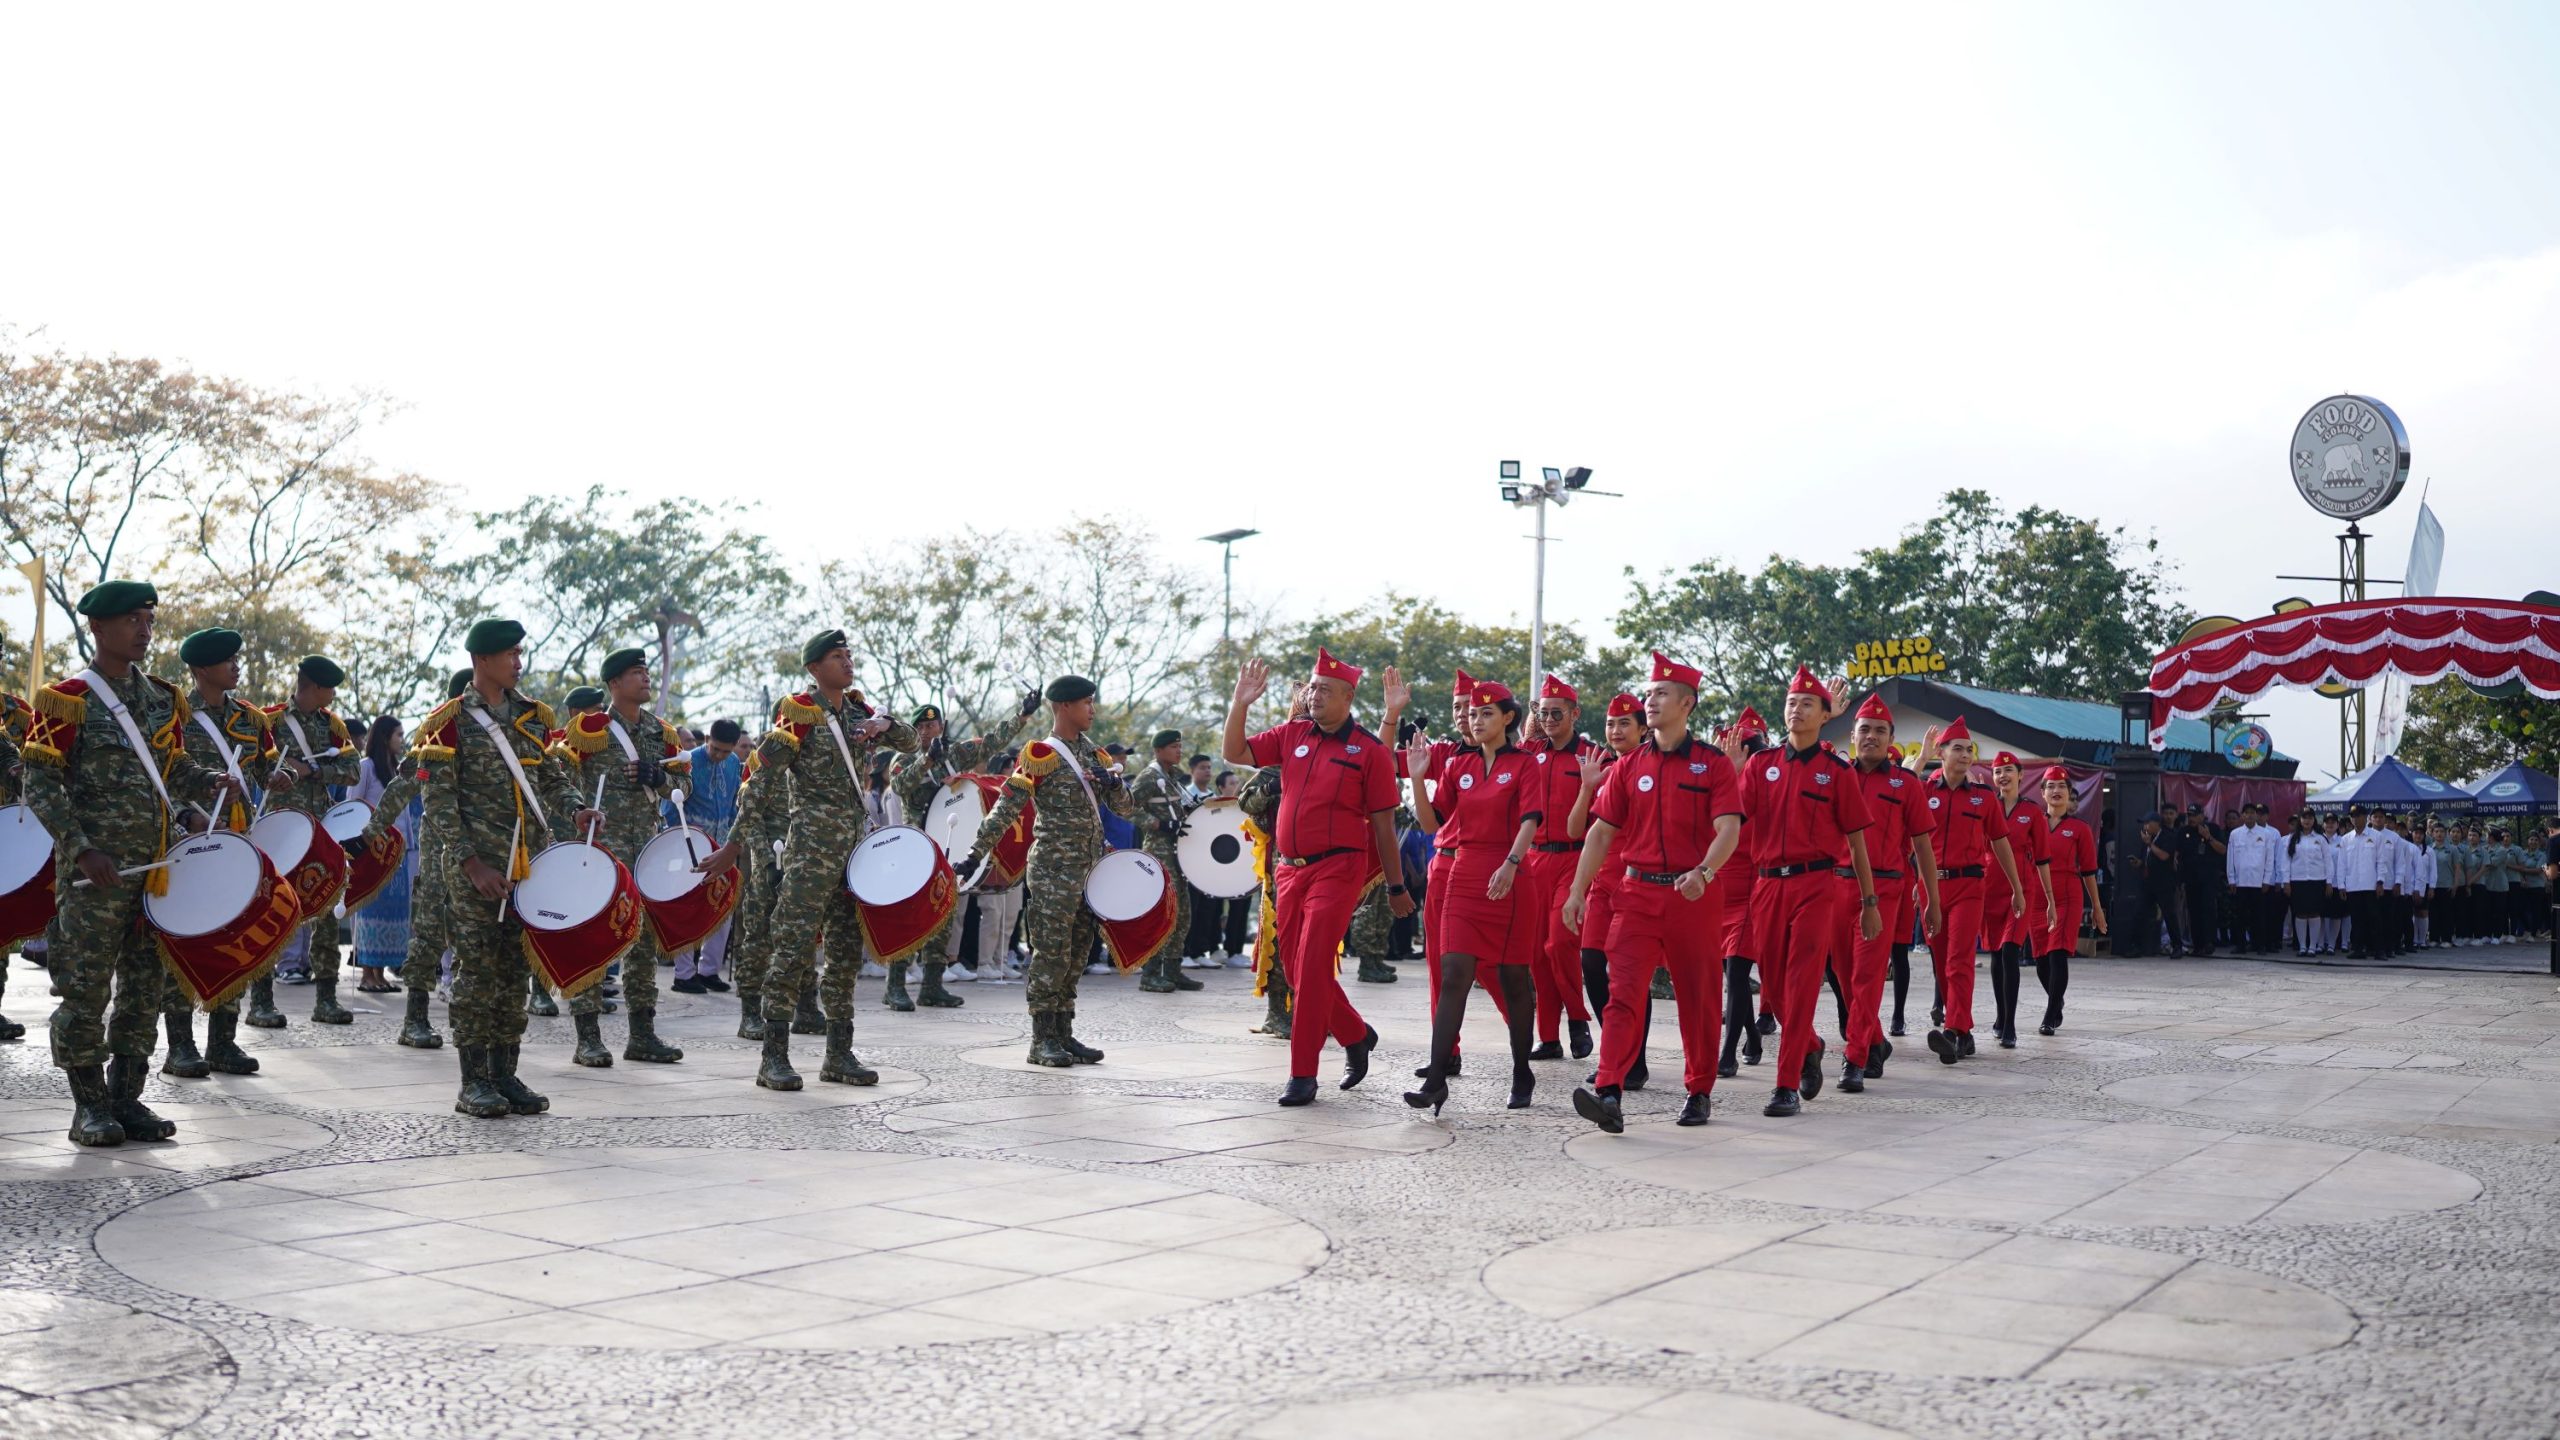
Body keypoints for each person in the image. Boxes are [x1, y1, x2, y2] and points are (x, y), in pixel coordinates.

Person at [21, 583, 247, 1145]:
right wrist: (81, 848)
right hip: (95, 876)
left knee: (144, 989)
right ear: (98, 628)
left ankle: (128, 1098)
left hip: (158, 872)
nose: (144, 630)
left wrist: (205, 785)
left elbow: (171, 765)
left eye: (148, 620)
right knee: (86, 990)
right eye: (131, 621)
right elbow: (40, 783)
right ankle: (89, 1107)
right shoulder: (66, 699)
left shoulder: (162, 699)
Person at [696, 630, 915, 1089]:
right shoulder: (798, 714)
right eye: (837, 657)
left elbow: (911, 742)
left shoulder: (859, 710)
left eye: (849, 655)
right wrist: (734, 846)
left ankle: (839, 1054)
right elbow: (757, 781)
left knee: (842, 953)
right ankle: (772, 1057)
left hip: (855, 852)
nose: (848, 662)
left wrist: (885, 726)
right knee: (792, 948)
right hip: (810, 852)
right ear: (815, 668)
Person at [418, 619, 597, 1117]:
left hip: (529, 866)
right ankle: (472, 1081)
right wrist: (471, 863)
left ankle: (504, 1074)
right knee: (477, 972)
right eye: (510, 655)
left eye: (521, 653)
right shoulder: (448, 722)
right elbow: (439, 803)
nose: (518, 663)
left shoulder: (533, 718)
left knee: (515, 971)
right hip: (478, 867)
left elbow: (552, 778)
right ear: (481, 660)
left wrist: (577, 807)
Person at [1563, 652, 1743, 1133]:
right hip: (1636, 895)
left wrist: (1704, 872)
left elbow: (1729, 830)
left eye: (1662, 693)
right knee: (1621, 995)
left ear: (1687, 704)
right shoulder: (1628, 768)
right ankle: (1609, 1090)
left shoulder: (1713, 765)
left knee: (1697, 997)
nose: (1652, 699)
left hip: (1694, 898)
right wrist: (1578, 890)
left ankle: (1699, 1089)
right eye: (1650, 692)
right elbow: (1601, 833)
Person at [1222, 651, 1410, 1107]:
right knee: (1293, 964)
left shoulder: (1368, 751)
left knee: (1311, 965)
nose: (1313, 695)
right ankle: (1355, 1033)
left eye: (1324, 688)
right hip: (1290, 869)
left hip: (1339, 867)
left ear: (1348, 696)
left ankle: (1302, 1074)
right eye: (1311, 687)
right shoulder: (1292, 734)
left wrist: (1396, 886)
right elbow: (1234, 752)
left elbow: (1384, 826)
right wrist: (1240, 702)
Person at [960, 675, 1135, 1068]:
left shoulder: (1096, 755)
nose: (1092, 710)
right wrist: (976, 853)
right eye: (1086, 703)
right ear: (1063, 707)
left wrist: (1114, 784)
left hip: (1090, 871)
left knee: (1076, 954)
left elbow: (1125, 808)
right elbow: (1006, 806)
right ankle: (1041, 1040)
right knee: (1050, 955)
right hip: (1054, 870)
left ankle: (1064, 1033)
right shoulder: (1040, 753)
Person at [1737, 666, 1881, 1116]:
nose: (1796, 710)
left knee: (1801, 985)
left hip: (1816, 885)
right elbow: (1729, 823)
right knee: (1775, 992)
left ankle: (1785, 1087)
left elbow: (1857, 842)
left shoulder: (1836, 772)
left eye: (1806, 704)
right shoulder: (1760, 767)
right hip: (1766, 887)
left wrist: (1870, 902)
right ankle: (1811, 1045)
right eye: (1791, 703)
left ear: (1824, 716)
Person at [1400, 679, 1543, 1113]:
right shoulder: (1457, 765)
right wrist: (1420, 777)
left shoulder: (1524, 764)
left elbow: (1531, 820)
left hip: (1510, 879)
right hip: (1464, 876)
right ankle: (1437, 1078)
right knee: (1454, 975)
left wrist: (1512, 863)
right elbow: (1431, 824)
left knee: (1514, 980)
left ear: (1508, 719)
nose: (1476, 720)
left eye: (1486, 713)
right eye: (1472, 714)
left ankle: (1522, 1071)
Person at [555, 648, 690, 1067]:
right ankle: (588, 1037)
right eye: (636, 673)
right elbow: (558, 777)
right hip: (600, 849)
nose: (646, 679)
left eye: (647, 672)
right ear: (614, 684)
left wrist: (659, 776)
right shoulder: (589, 728)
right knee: (591, 937)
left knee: (642, 943)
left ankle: (643, 1034)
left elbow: (683, 782)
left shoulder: (659, 730)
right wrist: (575, 816)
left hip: (645, 848)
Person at [168, 626, 272, 1076]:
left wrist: (278, 778)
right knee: (186, 938)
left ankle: (223, 1043)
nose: (236, 666)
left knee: (236, 937)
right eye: (227, 661)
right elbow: (160, 774)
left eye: (236, 658)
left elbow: (267, 770)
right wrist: (180, 816)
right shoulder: (175, 716)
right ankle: (180, 1046)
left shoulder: (251, 720)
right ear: (201, 669)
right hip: (190, 842)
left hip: (239, 839)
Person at [887, 695, 1036, 1003]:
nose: (929, 730)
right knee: (911, 917)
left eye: (933, 724)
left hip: (947, 847)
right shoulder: (903, 758)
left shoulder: (955, 753)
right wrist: (927, 760)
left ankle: (931, 986)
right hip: (916, 846)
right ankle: (895, 986)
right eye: (922, 726)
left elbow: (990, 743)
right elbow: (900, 787)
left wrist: (1021, 715)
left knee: (943, 916)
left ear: (941, 725)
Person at [1835, 694, 1940, 1090]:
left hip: (1885, 890)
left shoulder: (1906, 783)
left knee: (1866, 978)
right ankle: (1875, 1040)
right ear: (1852, 735)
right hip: (1837, 886)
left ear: (1892, 738)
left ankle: (1855, 1058)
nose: (1872, 737)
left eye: (1881, 731)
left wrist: (1931, 898)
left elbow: (1924, 846)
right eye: (1865, 730)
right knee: (1844, 979)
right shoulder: (1836, 776)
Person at [256, 655, 363, 1025]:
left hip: (320, 831)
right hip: (281, 830)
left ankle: (326, 999)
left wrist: (313, 769)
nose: (333, 695)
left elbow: (352, 770)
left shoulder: (332, 726)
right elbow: (258, 767)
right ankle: (261, 1001)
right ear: (313, 687)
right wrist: (285, 772)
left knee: (328, 910)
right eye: (329, 688)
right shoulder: (268, 721)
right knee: (271, 910)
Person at [1918, 717, 2024, 1063]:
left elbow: (2001, 844)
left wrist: (2017, 888)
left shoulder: (1983, 797)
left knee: (1959, 960)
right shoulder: (1923, 791)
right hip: (1932, 887)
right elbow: (1905, 835)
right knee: (1940, 960)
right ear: (1942, 753)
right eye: (1958, 749)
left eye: (1969, 750)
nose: (1965, 755)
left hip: (1969, 885)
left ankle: (1952, 1029)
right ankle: (1962, 1031)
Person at [1569, 693, 1653, 1091]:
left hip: (1638, 880)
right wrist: (1587, 788)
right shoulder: (1604, 771)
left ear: (1643, 729)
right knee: (1590, 964)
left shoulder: (1652, 768)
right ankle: (1618, 1050)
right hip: (1603, 882)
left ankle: (1632, 1060)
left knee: (1631, 975)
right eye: (1610, 725)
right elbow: (1579, 832)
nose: (1616, 731)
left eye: (1624, 725)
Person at [1519, 675, 1595, 1061]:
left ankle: (1578, 1018)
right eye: (1542, 712)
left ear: (1574, 714)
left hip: (1575, 858)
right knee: (1536, 952)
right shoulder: (1529, 753)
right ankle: (1547, 1037)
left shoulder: (1592, 756)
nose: (1548, 719)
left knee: (1560, 941)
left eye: (1556, 713)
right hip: (1533, 860)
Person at [667, 717, 744, 994]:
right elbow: (669, 807)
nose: (720, 756)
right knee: (688, 908)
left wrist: (735, 839)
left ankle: (710, 970)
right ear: (707, 740)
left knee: (722, 905)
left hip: (723, 847)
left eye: (726, 751)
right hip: (689, 846)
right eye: (715, 749)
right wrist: (677, 842)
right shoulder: (685, 761)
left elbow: (736, 801)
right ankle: (684, 974)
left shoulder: (734, 763)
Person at [1129, 727, 1207, 995]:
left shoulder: (1172, 777)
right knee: (1163, 912)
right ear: (1158, 750)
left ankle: (1172, 970)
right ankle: (1151, 974)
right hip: (1159, 851)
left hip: (1179, 850)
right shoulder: (1149, 776)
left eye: (1180, 746)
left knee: (1182, 911)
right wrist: (1158, 823)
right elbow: (1126, 807)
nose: (1179, 750)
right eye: (1174, 746)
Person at [1986, 752, 2053, 1049]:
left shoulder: (2033, 812)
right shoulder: (1987, 807)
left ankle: (2010, 1024)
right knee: (1996, 956)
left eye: (2008, 770)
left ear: (2021, 774)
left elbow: (2043, 858)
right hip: (1989, 889)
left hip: (2022, 891)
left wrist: (2050, 898)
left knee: (2011, 950)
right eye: (1998, 771)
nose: (2003, 775)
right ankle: (2000, 1017)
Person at [350, 715, 418, 995]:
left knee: (394, 911)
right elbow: (352, 804)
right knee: (371, 909)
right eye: (398, 735)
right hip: (373, 851)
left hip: (398, 851)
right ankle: (367, 974)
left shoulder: (396, 769)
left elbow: (404, 810)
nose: (402, 740)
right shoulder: (365, 767)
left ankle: (380, 973)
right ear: (385, 737)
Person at [2037, 767, 2103, 1033]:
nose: (2056, 791)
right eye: (2050, 786)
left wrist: (2097, 907)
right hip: (2037, 896)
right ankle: (2057, 1000)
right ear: (2042, 793)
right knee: (2040, 958)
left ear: (2069, 794)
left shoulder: (2079, 829)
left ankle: (2050, 1015)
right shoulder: (2034, 823)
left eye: (2061, 786)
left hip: (2067, 895)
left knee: (2057, 953)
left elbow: (2088, 870)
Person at [2282, 810, 2327, 956]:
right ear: (2300, 820)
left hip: (2316, 881)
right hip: (2298, 881)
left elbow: (2328, 862)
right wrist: (2286, 882)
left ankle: (2312, 946)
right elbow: (2286, 862)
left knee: (2314, 914)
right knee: (2300, 914)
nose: (2307, 821)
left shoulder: (2320, 839)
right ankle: (2302, 946)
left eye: (2310, 818)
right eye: (2304, 818)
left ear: (2314, 820)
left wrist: (2329, 883)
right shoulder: (2292, 839)